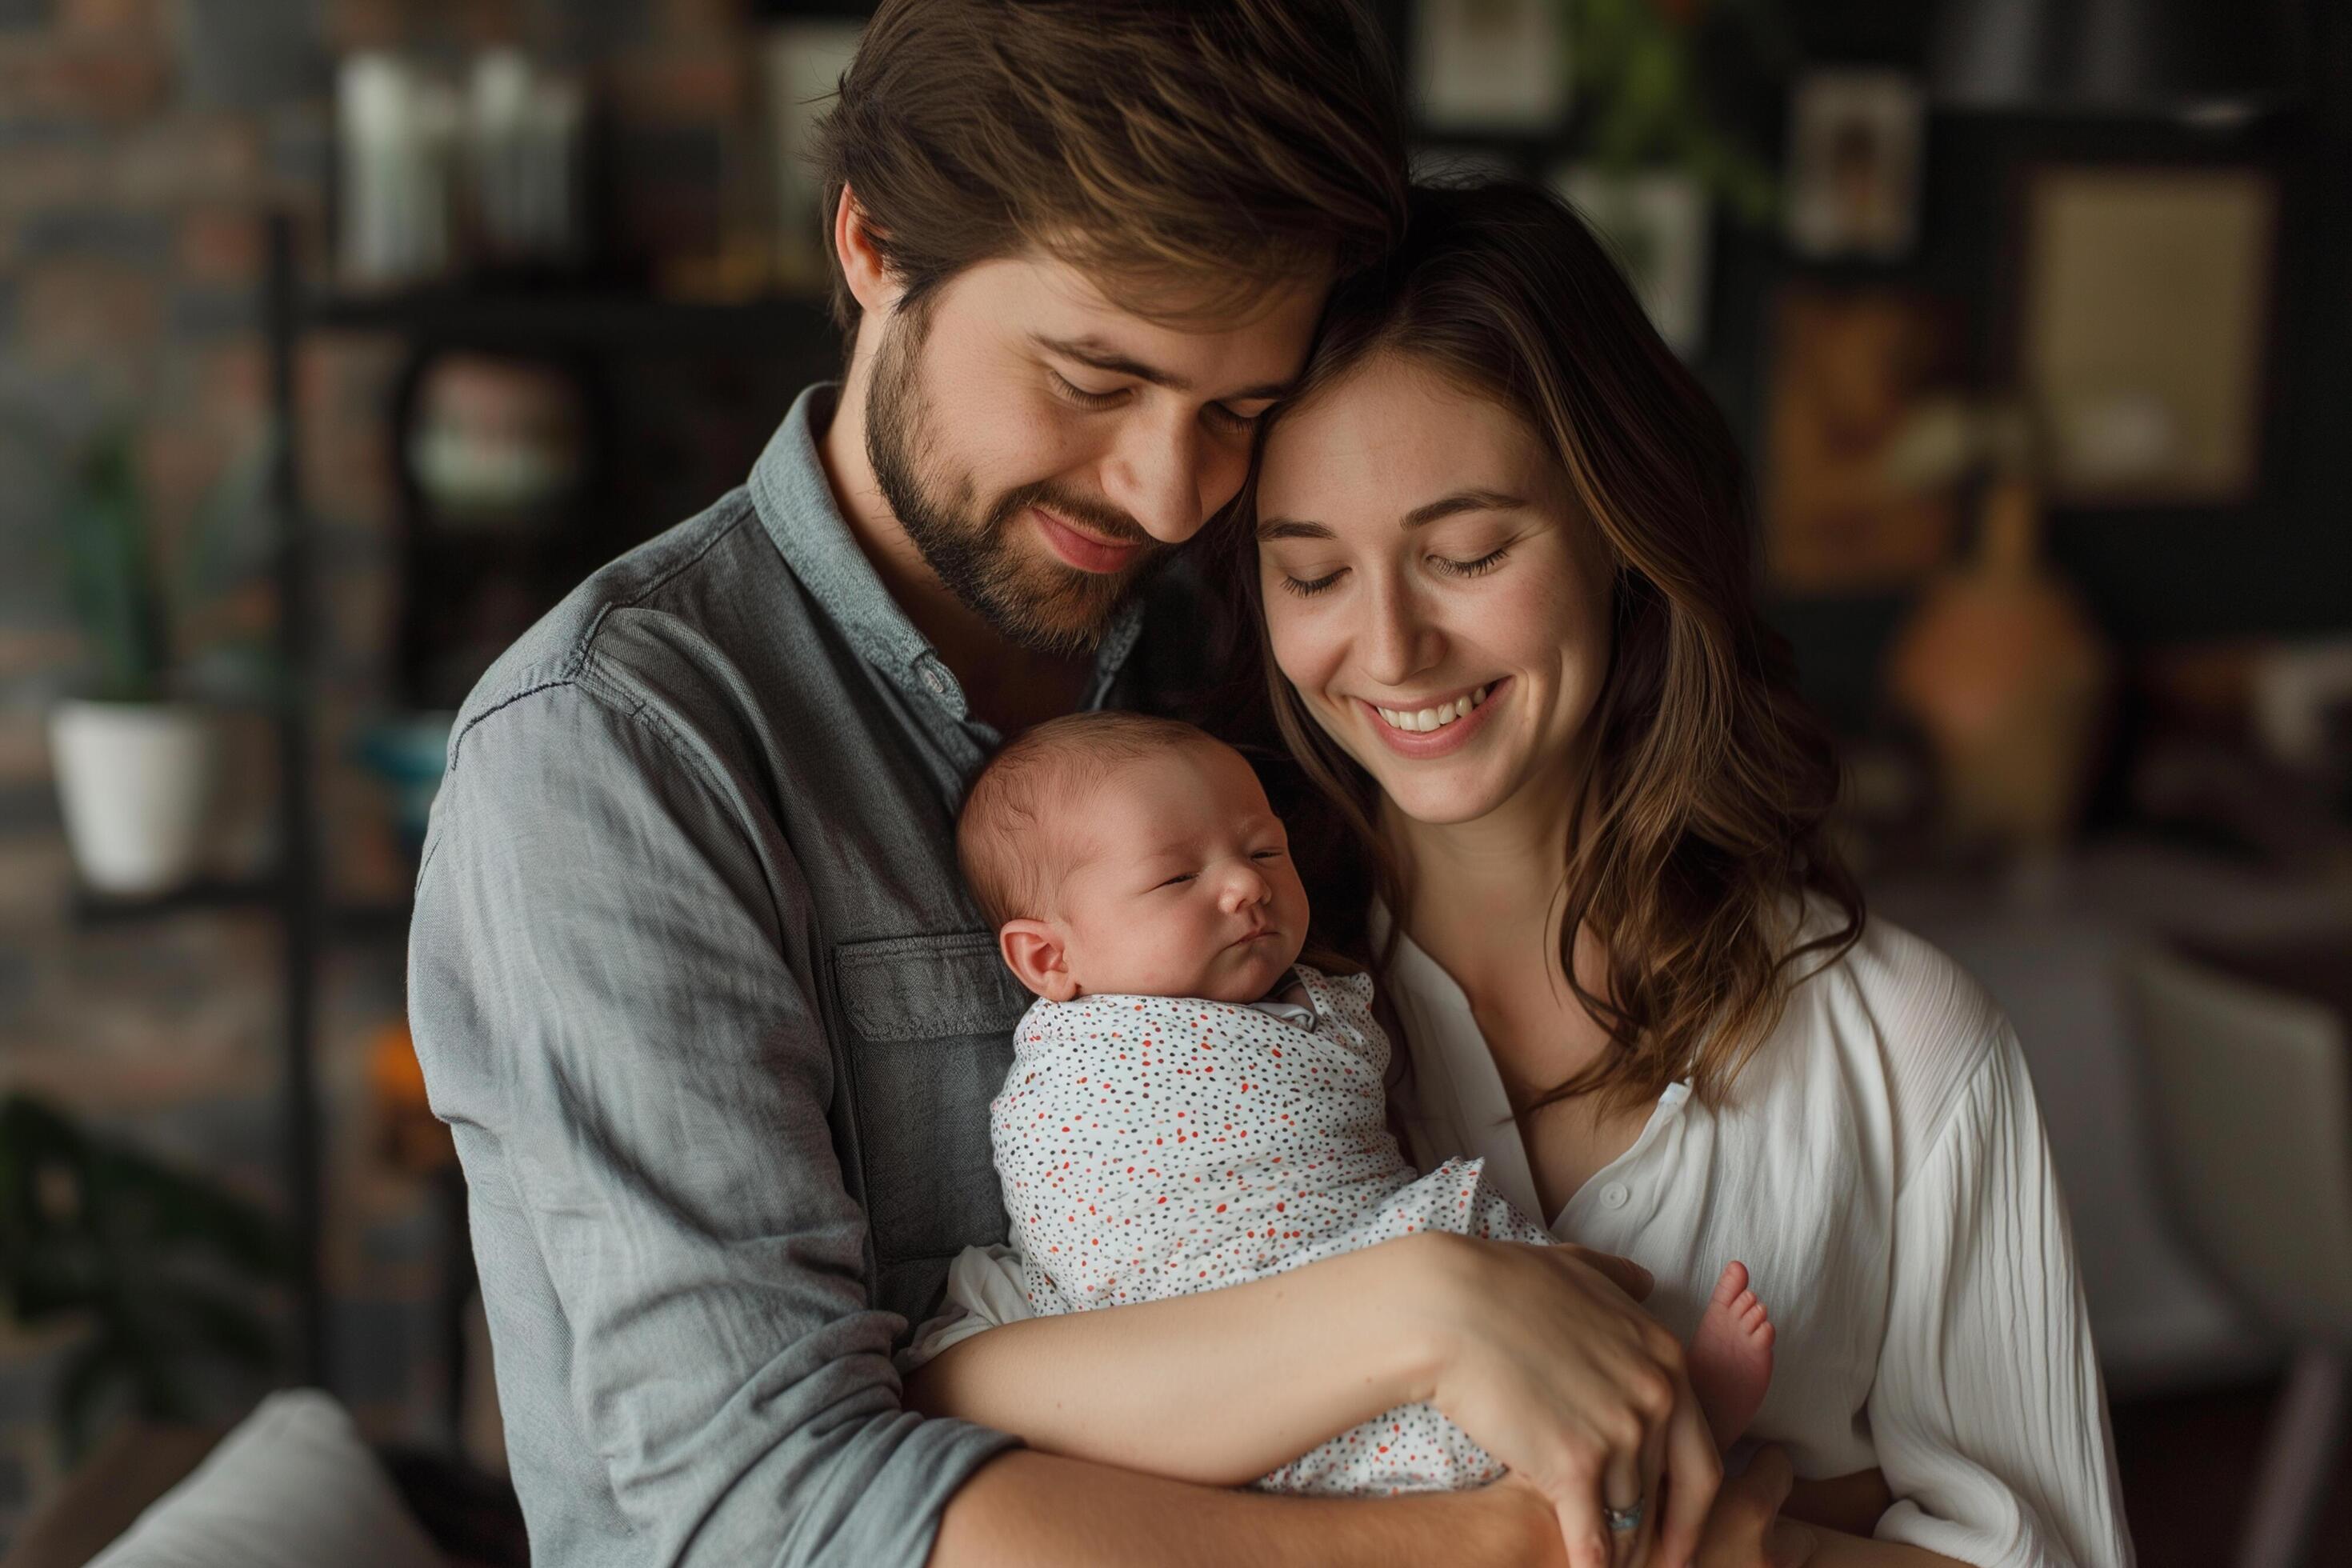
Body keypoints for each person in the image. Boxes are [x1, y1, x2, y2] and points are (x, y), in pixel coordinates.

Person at [407, 6, 1726, 1566]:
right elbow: (765, 1515)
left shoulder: (1248, 640)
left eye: (1237, 410)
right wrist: (1489, 1495)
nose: (1171, 490)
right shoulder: (617, 753)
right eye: (1095, 378)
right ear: (875, 245)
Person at [902, 182, 2139, 1567]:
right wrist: (1439, 1321)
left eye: (1467, 553)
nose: (1392, 649)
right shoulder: (1189, 1024)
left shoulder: (1907, 1053)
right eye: (1312, 576)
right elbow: (953, 1402)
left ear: (1623, 533)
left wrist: (1753, 1552)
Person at [930, 710, 1777, 1499]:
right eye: (1178, 875)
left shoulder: (1321, 994)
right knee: (1448, 1373)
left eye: (1264, 851)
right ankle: (1642, 1451)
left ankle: (1649, 1420)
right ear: (1047, 958)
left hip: (1364, 1237)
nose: (1244, 888)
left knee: (1515, 1291)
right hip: (1208, 1313)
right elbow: (1079, 1221)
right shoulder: (1077, 1065)